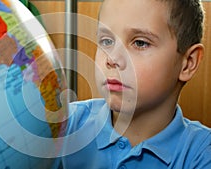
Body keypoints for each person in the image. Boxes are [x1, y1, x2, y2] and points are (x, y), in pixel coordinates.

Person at [61, 0, 211, 168]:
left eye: (140, 43)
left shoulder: (202, 155)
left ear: (188, 63)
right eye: (106, 41)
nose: (112, 59)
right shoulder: (60, 126)